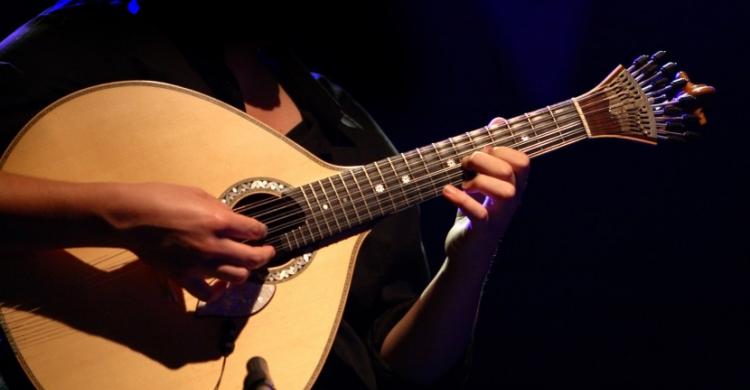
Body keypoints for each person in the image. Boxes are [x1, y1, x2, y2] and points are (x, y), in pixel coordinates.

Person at [0, 1, 529, 388]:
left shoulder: (350, 132)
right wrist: (116, 219)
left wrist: (470, 255)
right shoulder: (81, 47)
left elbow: (407, 366)